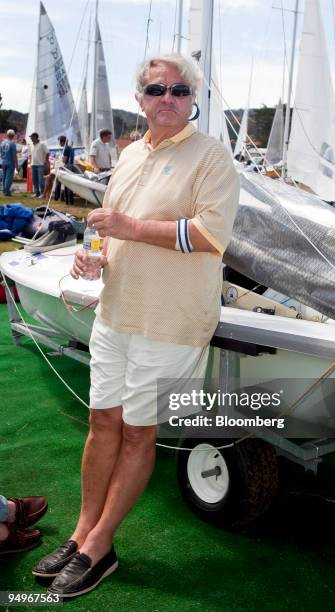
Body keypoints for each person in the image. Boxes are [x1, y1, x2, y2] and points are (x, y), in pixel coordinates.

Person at [33, 52, 239, 598]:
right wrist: (97, 256)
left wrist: (128, 226)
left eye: (178, 90)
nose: (167, 99)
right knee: (103, 424)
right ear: (140, 100)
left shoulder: (211, 157)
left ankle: (101, 545)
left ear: (193, 98)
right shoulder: (127, 156)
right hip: (117, 311)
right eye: (156, 90)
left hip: (169, 322)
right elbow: (113, 232)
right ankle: (81, 534)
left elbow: (210, 234)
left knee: (136, 433)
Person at [54, 135, 75, 204]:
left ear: (62, 141)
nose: (59, 143)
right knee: (70, 185)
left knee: (65, 184)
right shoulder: (70, 148)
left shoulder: (65, 149)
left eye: (59, 141)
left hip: (67, 167)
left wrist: (60, 163)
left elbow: (64, 160)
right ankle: (69, 201)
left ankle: (61, 199)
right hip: (71, 167)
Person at [29, 132, 49, 198]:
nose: (31, 138)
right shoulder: (32, 145)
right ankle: (36, 192)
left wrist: (46, 161)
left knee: (41, 180)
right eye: (31, 137)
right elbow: (31, 155)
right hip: (33, 164)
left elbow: (47, 152)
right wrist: (30, 162)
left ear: (35, 137)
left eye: (32, 137)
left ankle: (43, 193)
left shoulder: (42, 144)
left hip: (40, 164)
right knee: (34, 179)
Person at [0, 129, 18, 196]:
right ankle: (7, 192)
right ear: (13, 136)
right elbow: (14, 155)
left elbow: (1, 153)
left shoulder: (2, 143)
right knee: (8, 177)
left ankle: (4, 190)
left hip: (3, 162)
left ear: (7, 135)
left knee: (4, 177)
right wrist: (16, 164)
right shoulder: (12, 143)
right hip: (10, 162)